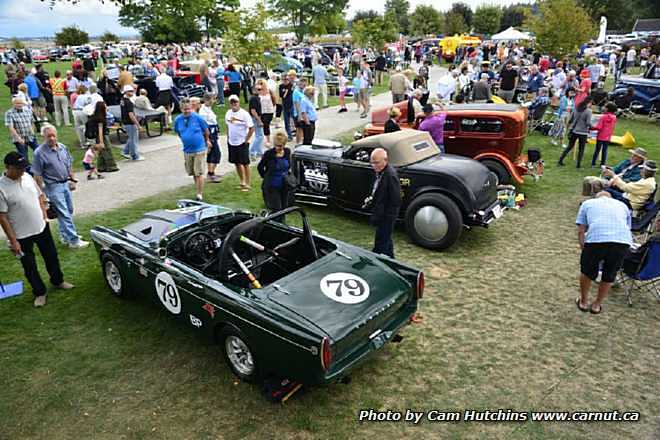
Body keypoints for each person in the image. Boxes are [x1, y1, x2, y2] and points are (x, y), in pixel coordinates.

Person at [0, 152, 74, 307]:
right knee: (29, 266)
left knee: (51, 256)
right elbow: (2, 217)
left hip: (41, 226)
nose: (22, 171)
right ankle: (40, 292)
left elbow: (40, 196)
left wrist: (44, 216)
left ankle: (58, 281)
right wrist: (13, 241)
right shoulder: (1, 188)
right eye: (18, 168)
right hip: (21, 235)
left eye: (23, 167)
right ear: (8, 167)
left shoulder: (27, 177)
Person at [575, 191, 632, 314]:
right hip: (622, 241)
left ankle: (583, 302)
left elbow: (581, 230)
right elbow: (628, 228)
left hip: (596, 239)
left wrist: (583, 247)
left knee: (587, 272)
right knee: (609, 274)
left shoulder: (587, 203)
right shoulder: (623, 205)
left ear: (596, 197)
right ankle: (597, 305)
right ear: (610, 197)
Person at [32, 125, 89, 249]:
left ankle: (65, 236)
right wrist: (42, 194)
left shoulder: (63, 147)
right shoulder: (39, 153)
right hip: (53, 187)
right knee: (64, 213)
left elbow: (69, 164)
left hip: (65, 183)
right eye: (49, 136)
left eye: (53, 135)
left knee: (69, 210)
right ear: (43, 137)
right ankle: (74, 240)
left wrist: (72, 180)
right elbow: (37, 175)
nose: (52, 138)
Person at [173, 98, 212, 201]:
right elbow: (178, 132)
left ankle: (199, 194)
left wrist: (207, 141)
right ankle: (198, 188)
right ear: (181, 109)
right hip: (187, 150)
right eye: (185, 109)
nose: (187, 111)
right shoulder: (178, 120)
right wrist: (184, 139)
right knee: (193, 172)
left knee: (198, 172)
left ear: (191, 108)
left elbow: (206, 130)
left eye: (189, 109)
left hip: (199, 149)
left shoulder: (197, 118)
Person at [367, 148, 401, 258]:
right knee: (386, 240)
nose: (374, 166)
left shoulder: (390, 176)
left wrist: (386, 216)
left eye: (376, 163)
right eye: (372, 163)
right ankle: (392, 260)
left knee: (381, 242)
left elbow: (396, 199)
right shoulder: (381, 172)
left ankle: (375, 260)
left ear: (385, 160)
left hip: (387, 215)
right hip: (382, 213)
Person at [225, 95, 255, 191]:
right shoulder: (228, 113)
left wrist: (246, 140)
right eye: (232, 103)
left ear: (238, 103)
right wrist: (228, 137)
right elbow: (228, 126)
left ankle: (248, 183)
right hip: (232, 142)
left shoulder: (244, 114)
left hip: (242, 142)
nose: (234, 104)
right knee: (236, 162)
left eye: (235, 102)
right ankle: (242, 181)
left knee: (245, 163)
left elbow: (251, 128)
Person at [257, 130, 291, 213]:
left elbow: (289, 165)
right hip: (272, 186)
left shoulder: (287, 152)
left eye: (280, 146)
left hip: (284, 185)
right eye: (276, 145)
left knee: (284, 208)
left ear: (284, 144)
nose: (278, 148)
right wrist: (266, 177)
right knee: (276, 209)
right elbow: (260, 167)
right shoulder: (268, 154)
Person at [557, 97, 592, 168]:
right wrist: (593, 126)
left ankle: (560, 160)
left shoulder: (576, 108)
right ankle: (578, 165)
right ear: (589, 103)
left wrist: (569, 127)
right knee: (581, 149)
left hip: (574, 130)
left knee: (569, 147)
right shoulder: (588, 111)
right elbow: (588, 123)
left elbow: (571, 119)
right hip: (583, 132)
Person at [86, 101, 118, 173]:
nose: (106, 108)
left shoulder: (94, 116)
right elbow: (100, 130)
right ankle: (111, 166)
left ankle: (101, 166)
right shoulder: (100, 118)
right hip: (102, 136)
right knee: (107, 150)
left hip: (96, 136)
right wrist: (101, 142)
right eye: (105, 107)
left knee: (101, 152)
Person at [5, 96, 38, 163]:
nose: (19, 105)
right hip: (19, 138)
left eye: (20, 103)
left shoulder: (28, 111)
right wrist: (18, 138)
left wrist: (32, 131)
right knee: (24, 156)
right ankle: (26, 168)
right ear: (13, 104)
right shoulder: (9, 113)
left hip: (30, 136)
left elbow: (32, 122)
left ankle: (41, 165)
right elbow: (11, 127)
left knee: (38, 151)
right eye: (17, 103)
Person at [199, 93, 221, 183]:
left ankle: (212, 172)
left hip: (213, 132)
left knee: (214, 153)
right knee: (215, 153)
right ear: (208, 100)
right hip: (209, 133)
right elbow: (204, 125)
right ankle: (210, 173)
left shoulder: (208, 109)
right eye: (213, 99)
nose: (214, 101)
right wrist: (207, 139)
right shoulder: (203, 111)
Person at [590, 102, 618, 167]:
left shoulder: (603, 117)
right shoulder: (614, 117)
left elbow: (599, 127)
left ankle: (593, 163)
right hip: (608, 136)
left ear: (607, 109)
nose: (603, 108)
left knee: (597, 150)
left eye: (605, 107)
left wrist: (591, 128)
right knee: (604, 150)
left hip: (600, 136)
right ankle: (603, 164)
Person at [120, 85, 143, 161]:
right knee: (134, 140)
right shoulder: (128, 102)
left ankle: (125, 151)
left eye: (132, 91)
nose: (132, 92)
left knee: (131, 138)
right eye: (130, 91)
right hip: (130, 123)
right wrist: (138, 124)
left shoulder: (122, 100)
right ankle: (135, 156)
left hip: (125, 122)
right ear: (126, 92)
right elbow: (131, 115)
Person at [248, 83, 264, 160]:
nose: (260, 91)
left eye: (261, 89)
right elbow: (253, 111)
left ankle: (259, 152)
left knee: (259, 135)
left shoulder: (256, 98)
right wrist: (259, 120)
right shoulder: (254, 98)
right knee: (259, 136)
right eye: (258, 89)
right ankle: (252, 152)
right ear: (254, 90)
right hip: (255, 118)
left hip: (256, 117)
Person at [257, 79, 276, 147]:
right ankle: (262, 137)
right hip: (261, 111)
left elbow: (274, 100)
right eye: (259, 83)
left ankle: (268, 140)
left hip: (269, 111)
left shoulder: (269, 91)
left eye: (261, 83)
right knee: (263, 125)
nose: (260, 85)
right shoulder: (257, 92)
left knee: (266, 124)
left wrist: (273, 107)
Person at [278, 74, 294, 140]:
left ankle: (299, 133)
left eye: (287, 79)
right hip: (285, 106)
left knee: (295, 120)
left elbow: (289, 93)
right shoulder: (281, 86)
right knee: (286, 122)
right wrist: (286, 92)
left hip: (292, 105)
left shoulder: (291, 85)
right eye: (284, 79)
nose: (285, 81)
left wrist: (285, 92)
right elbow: (281, 95)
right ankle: (290, 136)